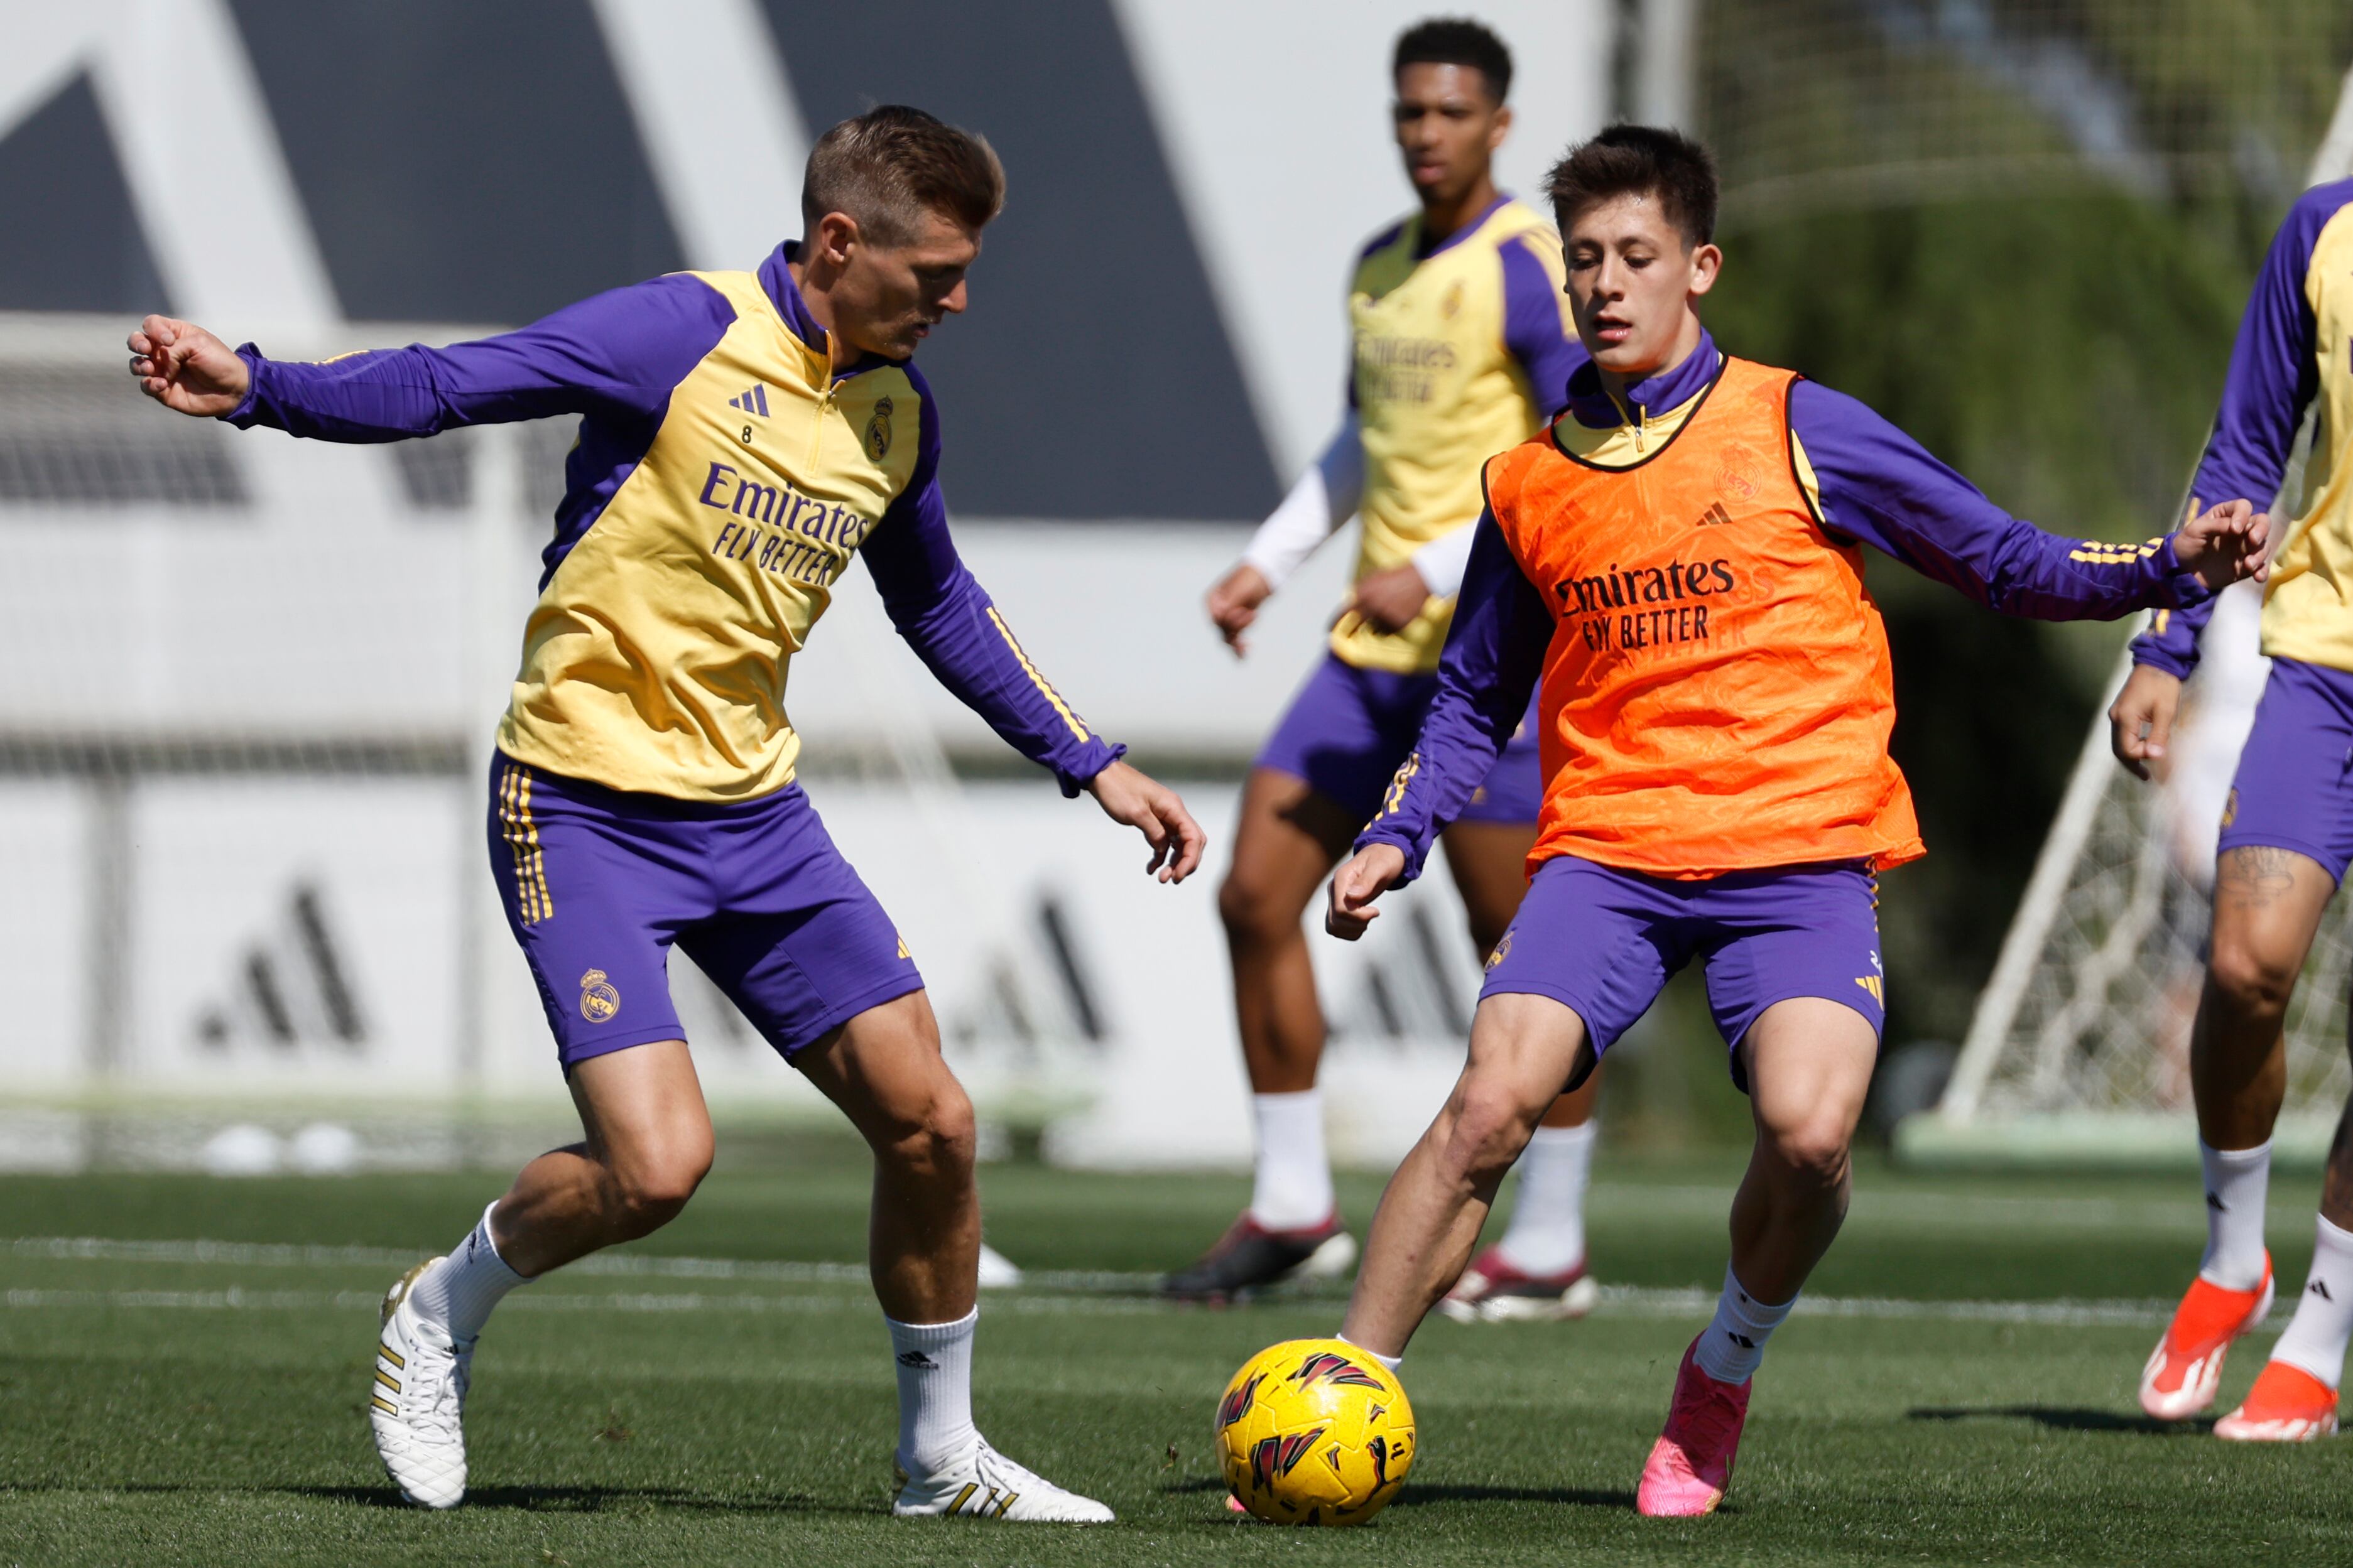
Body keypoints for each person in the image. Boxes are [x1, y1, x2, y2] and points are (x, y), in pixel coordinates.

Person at [127, 105, 1204, 1523]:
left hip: (753, 816)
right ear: (839, 240)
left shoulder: (894, 411)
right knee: (659, 1167)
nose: (956, 299)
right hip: (578, 804)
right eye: (935, 270)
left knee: (933, 1122)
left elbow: (936, 600)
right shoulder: (674, 331)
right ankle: (439, 1306)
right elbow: (455, 384)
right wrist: (258, 383)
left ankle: (939, 1464)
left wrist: (1092, 759)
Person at [1320, 124, 2268, 1517]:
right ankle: (1333, 1398)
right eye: (1584, 260)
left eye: (1636, 256)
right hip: (1612, 853)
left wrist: (2161, 566)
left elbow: (1999, 559)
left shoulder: (1794, 422)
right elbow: (1471, 697)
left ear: (1698, 267)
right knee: (1485, 1107)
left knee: (1813, 1135)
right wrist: (1398, 833)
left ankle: (1721, 1369)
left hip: (1799, 850)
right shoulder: (1526, 483)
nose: (1606, 283)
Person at [1175, 17, 1601, 1315]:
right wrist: (1271, 556)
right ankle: (1296, 1204)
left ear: (1499, 126)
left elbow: (1580, 438)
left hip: (1488, 661)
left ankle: (1549, 1241)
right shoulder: (1377, 266)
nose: (1427, 134)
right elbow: (1359, 441)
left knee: (1522, 949)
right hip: (1368, 660)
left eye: (1451, 113)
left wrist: (1432, 560)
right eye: (1409, 113)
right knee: (1254, 894)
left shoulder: (1530, 268)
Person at [2112, 175, 2353, 1442]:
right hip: (2324, 661)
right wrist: (2165, 649)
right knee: (2245, 965)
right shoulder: (2324, 228)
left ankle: (2317, 1330)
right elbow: (2247, 450)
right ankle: (2230, 1254)